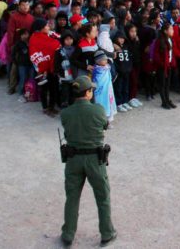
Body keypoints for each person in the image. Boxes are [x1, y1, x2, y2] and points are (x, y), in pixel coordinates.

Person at [59, 76, 117, 247]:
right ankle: (107, 232)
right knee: (102, 196)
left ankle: (68, 234)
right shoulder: (98, 110)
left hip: (73, 159)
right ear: (88, 92)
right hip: (94, 159)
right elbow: (105, 125)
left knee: (72, 197)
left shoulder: (66, 113)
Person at [152, 22, 177, 109]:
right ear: (166, 31)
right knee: (162, 84)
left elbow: (171, 53)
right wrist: (162, 64)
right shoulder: (159, 41)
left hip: (168, 65)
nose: (172, 31)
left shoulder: (170, 39)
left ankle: (167, 99)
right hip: (162, 66)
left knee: (167, 84)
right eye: (171, 29)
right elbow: (156, 55)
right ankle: (164, 101)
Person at [92, 50, 117, 122]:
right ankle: (101, 120)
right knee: (101, 104)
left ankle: (108, 120)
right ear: (98, 61)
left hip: (108, 89)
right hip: (100, 91)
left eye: (106, 59)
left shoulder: (107, 67)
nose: (106, 61)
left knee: (109, 103)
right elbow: (97, 81)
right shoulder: (97, 70)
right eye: (104, 60)